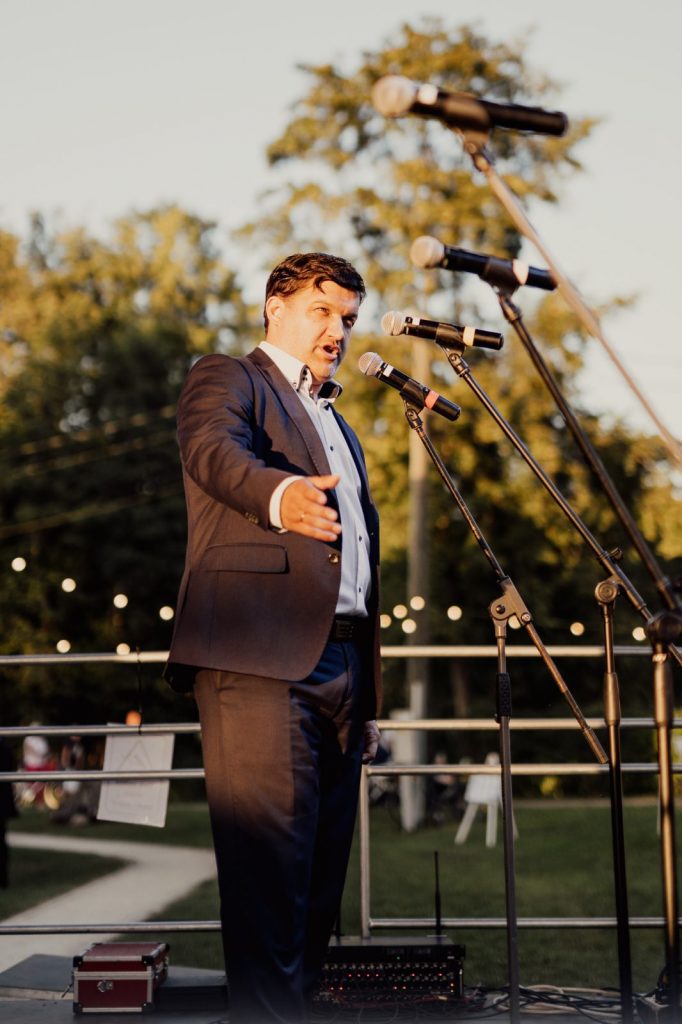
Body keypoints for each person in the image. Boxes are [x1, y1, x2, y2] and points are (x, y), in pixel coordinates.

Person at [164, 252, 382, 1023]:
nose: (338, 331)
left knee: (320, 880)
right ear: (275, 308)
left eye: (348, 318)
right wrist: (280, 494)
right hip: (259, 658)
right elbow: (214, 453)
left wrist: (368, 693)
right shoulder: (229, 378)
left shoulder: (340, 424)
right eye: (322, 311)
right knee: (269, 878)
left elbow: (358, 569)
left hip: (344, 664)